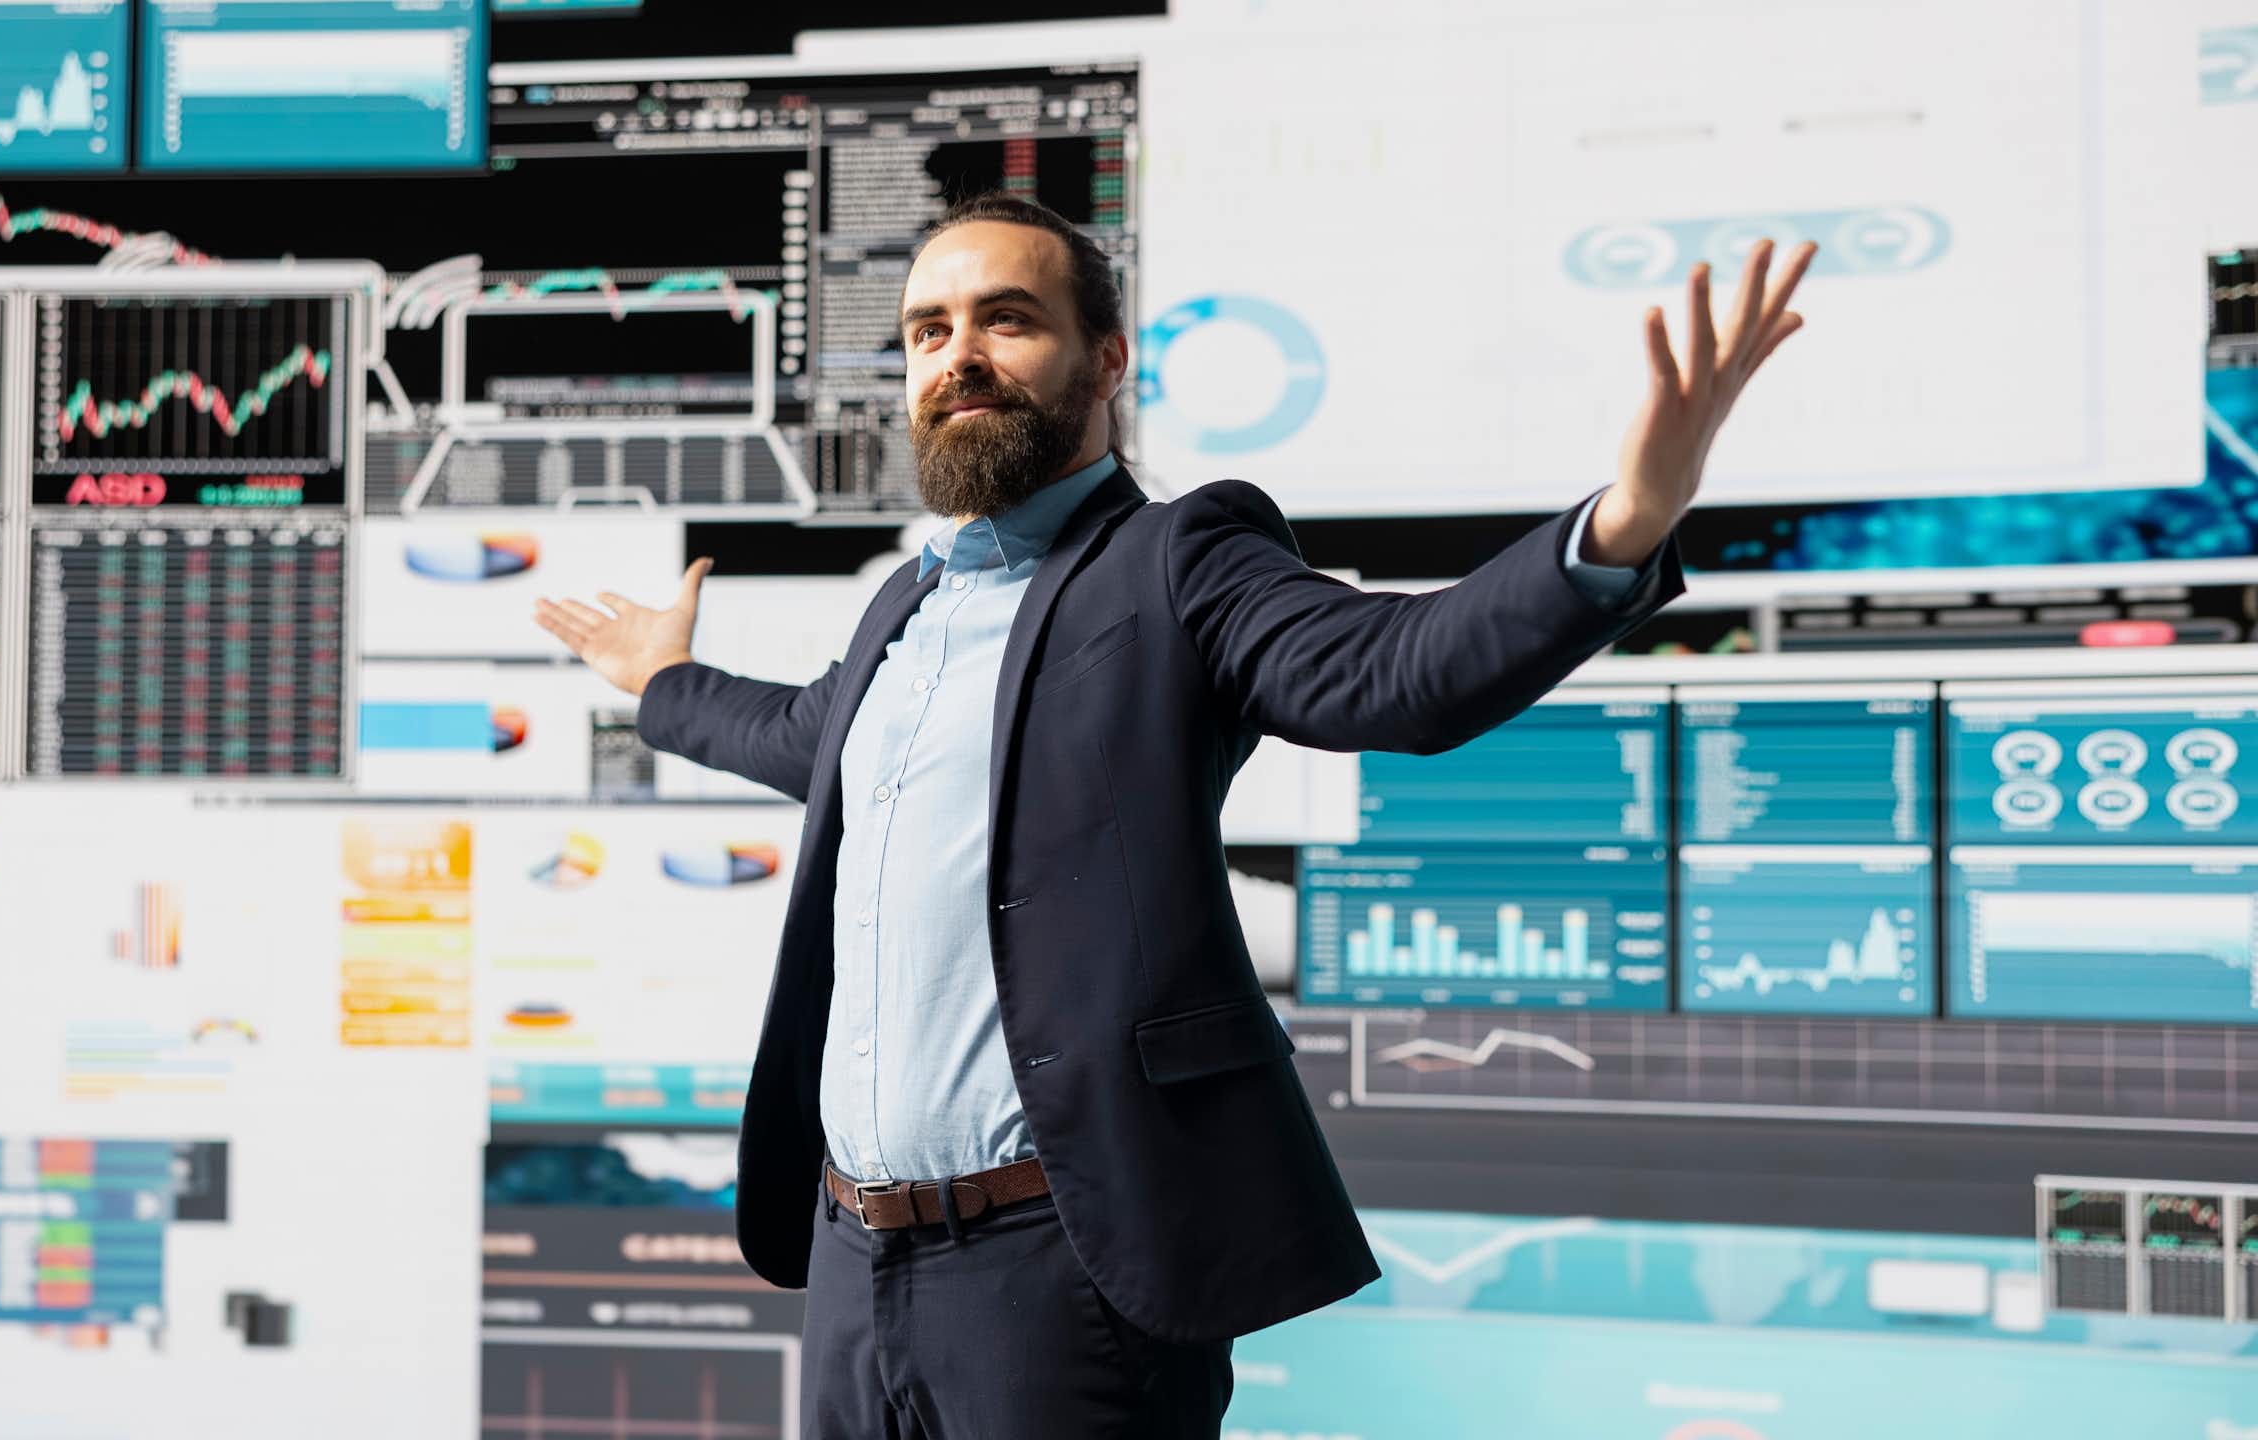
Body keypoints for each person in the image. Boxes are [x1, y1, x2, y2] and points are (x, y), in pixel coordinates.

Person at [534, 191, 1811, 1438]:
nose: (959, 357)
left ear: (1106, 362)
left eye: (1006, 320)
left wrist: (1624, 523)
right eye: (929, 330)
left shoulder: (1177, 560)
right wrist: (663, 683)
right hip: (852, 1266)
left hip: (1053, 1269)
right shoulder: (903, 611)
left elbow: (1400, 670)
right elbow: (802, 739)